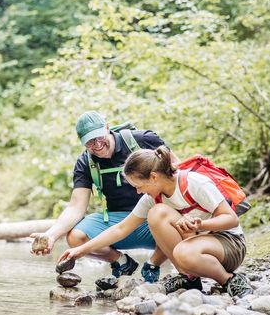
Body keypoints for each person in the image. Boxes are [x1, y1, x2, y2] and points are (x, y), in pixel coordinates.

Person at [56, 146, 254, 297]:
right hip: (198, 244)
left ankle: (229, 280)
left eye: (139, 186)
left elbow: (230, 219)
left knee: (181, 249)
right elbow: (121, 228)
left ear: (153, 177)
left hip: (229, 245)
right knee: (157, 213)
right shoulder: (152, 198)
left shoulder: (193, 182)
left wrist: (201, 225)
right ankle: (189, 279)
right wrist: (79, 251)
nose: (137, 191)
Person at [30, 111, 170, 282]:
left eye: (98, 137)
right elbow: (76, 206)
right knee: (75, 237)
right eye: (89, 141)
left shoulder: (143, 140)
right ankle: (121, 262)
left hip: (157, 217)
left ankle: (159, 264)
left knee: (177, 220)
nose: (96, 145)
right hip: (118, 223)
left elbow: (177, 173)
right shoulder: (85, 163)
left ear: (107, 128)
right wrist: (51, 235)